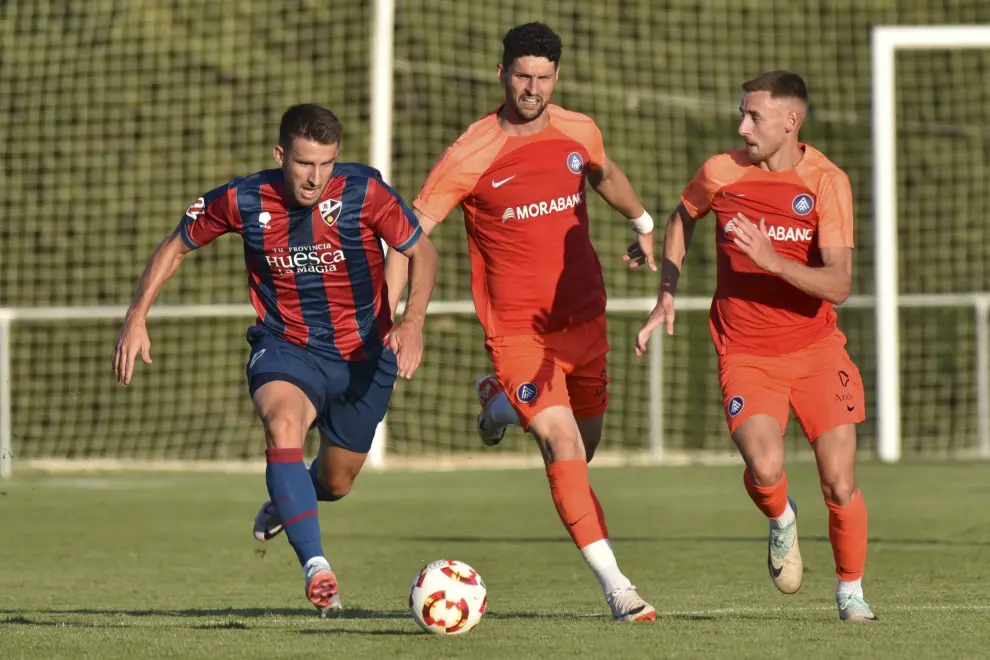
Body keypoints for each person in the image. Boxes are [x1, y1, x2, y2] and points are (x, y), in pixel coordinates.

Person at [112, 103, 438, 615]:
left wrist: (413, 320)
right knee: (282, 425)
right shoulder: (243, 198)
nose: (315, 178)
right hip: (286, 345)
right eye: (305, 163)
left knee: (336, 481)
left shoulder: (364, 192)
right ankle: (317, 568)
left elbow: (423, 251)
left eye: (326, 164)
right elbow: (175, 245)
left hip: (363, 355)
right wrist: (136, 314)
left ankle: (290, 500)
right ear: (280, 154)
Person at [384, 22, 657, 622]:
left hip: (585, 316)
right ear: (501, 73)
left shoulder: (578, 130)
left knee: (582, 452)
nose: (531, 88)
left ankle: (501, 406)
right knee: (561, 445)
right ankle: (619, 589)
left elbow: (603, 173)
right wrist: (401, 318)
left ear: (556, 77)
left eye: (542, 78)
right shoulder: (469, 153)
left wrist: (642, 224)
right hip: (516, 331)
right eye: (521, 76)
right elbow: (408, 238)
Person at [634, 71, 877, 622]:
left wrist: (772, 260)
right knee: (766, 470)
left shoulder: (827, 182)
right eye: (742, 114)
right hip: (746, 353)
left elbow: (839, 283)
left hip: (817, 352)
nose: (742, 126)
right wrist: (665, 292)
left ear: (791, 121)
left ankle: (850, 592)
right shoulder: (720, 173)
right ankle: (782, 518)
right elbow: (682, 216)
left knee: (840, 482)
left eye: (754, 117)